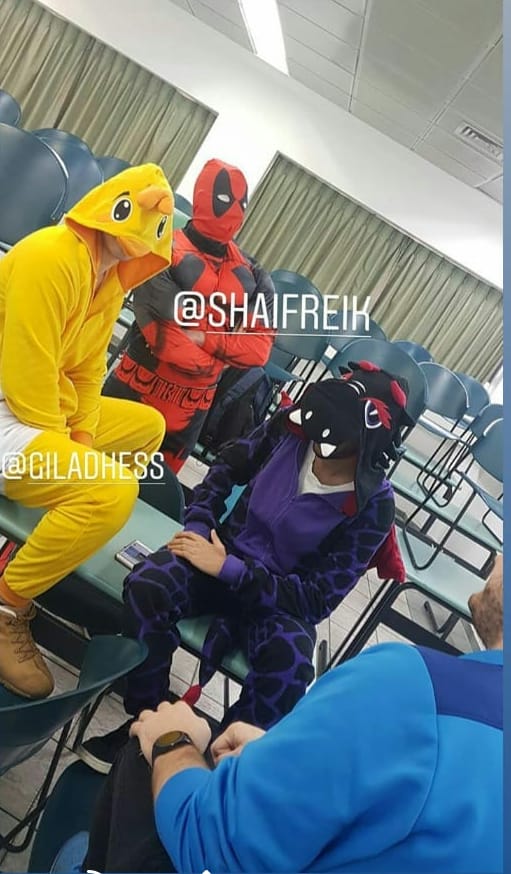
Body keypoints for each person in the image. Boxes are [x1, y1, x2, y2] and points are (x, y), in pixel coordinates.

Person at [79, 362, 412, 772]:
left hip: (279, 601)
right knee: (150, 583)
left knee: (290, 667)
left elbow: (317, 600)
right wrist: (199, 528)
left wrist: (231, 570)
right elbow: (224, 468)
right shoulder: (288, 430)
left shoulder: (374, 505)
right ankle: (151, 721)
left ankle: (222, 763)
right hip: (223, 552)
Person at [79, 554, 504, 874]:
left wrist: (173, 742)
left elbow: (212, 849)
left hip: (269, 600)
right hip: (231, 580)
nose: (497, 557)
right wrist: (285, 757)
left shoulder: (410, 685)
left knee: (150, 748)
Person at [0, 164, 174, 699]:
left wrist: (84, 438)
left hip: (37, 408)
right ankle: (8, 602)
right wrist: (68, 443)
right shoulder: (52, 257)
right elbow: (26, 377)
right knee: (113, 490)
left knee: (149, 426)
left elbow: (88, 370)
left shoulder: (108, 278)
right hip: (9, 411)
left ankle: (54, 532)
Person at [102, 157, 275, 473]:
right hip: (133, 392)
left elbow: (258, 350)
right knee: (82, 470)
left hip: (190, 414)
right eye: (223, 199)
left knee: (153, 491)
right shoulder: (161, 248)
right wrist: (222, 350)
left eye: (242, 203)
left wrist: (200, 337)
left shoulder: (254, 274)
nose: (234, 211)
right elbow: (167, 341)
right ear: (202, 196)